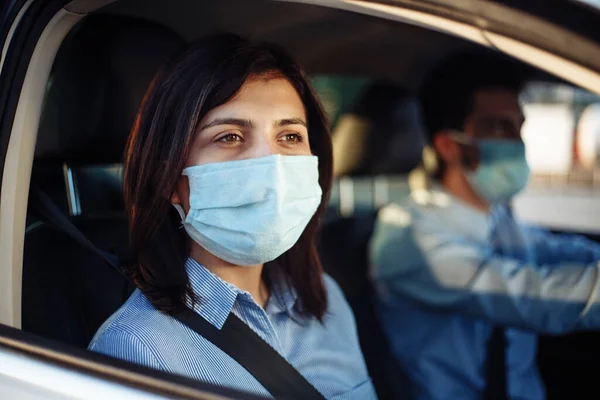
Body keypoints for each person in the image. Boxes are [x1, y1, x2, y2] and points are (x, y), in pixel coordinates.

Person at [89, 34, 376, 399]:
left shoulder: (326, 299)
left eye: (289, 136)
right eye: (229, 136)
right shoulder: (135, 348)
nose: (270, 166)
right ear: (169, 179)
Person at [368, 53, 600, 400]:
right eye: (497, 127)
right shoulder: (409, 236)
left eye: (517, 126)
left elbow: (561, 251)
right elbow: (535, 295)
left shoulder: (499, 219)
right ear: (449, 145)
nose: (516, 142)